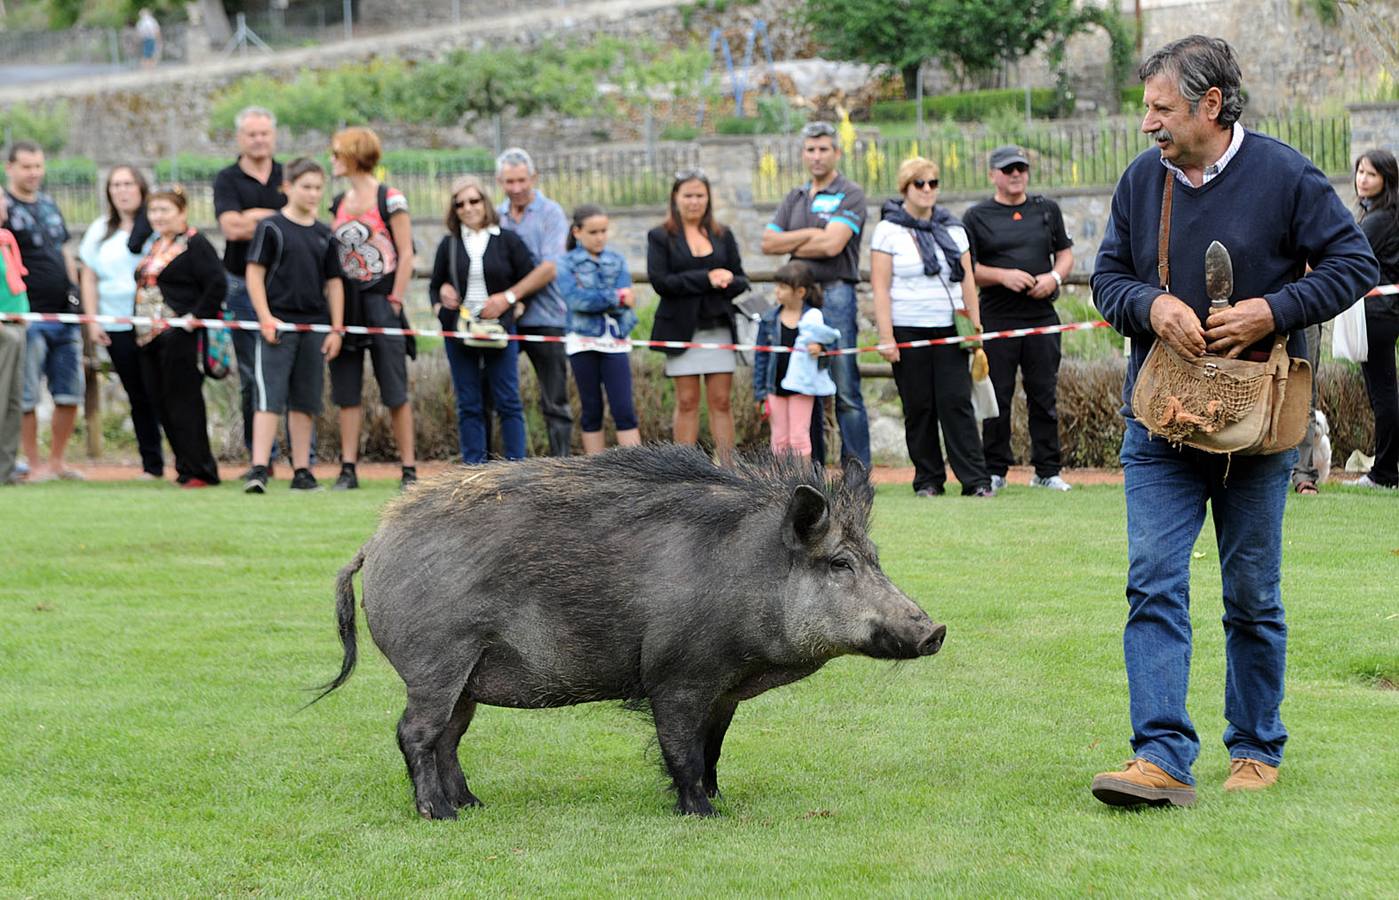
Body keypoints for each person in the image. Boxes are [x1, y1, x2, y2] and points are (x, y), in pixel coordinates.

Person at [1090, 35, 1378, 807]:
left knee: (1251, 596)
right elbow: (1105, 279)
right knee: (1152, 582)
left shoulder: (1284, 174)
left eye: (1161, 108)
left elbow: (1355, 265)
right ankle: (1158, 757)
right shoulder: (1137, 181)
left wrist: (1270, 310)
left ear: (1209, 105)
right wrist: (1148, 305)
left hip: (1259, 430)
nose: (1148, 123)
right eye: (1145, 108)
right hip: (1158, 423)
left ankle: (1253, 746)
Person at [871, 157, 994, 498]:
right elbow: (880, 287)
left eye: (933, 183)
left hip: (949, 327)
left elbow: (967, 281)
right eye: (919, 184)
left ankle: (975, 480)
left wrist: (975, 326)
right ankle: (928, 479)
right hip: (908, 327)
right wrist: (886, 336)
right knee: (919, 405)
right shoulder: (888, 230)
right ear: (905, 189)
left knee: (956, 401)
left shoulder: (953, 229)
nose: (927, 190)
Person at [962, 145, 1075, 492]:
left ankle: (1047, 470)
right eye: (1008, 169)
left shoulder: (1046, 209)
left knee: (1044, 394)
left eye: (1021, 168)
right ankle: (995, 470)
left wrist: (1053, 278)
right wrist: (1002, 276)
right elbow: (969, 268)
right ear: (993, 174)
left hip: (1041, 314)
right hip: (997, 316)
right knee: (998, 395)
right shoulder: (976, 216)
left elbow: (1065, 253)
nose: (1016, 174)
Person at [761, 120, 870, 470]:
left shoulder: (850, 193)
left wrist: (793, 239)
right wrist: (812, 232)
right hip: (799, 302)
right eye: (811, 149)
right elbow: (768, 243)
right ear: (803, 154)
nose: (817, 155)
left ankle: (856, 473)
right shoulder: (794, 197)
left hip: (836, 294)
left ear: (836, 152)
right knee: (802, 384)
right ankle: (814, 471)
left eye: (824, 148)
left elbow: (834, 244)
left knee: (845, 388)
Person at [431, 176, 553, 464]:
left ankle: (515, 468)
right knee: (469, 403)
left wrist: (515, 303)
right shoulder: (448, 244)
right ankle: (473, 467)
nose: (468, 208)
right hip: (460, 331)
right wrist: (440, 301)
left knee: (508, 400)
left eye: (474, 201)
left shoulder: (507, 240)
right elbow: (436, 284)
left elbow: (529, 277)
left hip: (499, 331)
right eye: (460, 204)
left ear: (485, 202)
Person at [242, 159, 344, 494]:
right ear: (288, 187)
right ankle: (259, 468)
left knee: (305, 403)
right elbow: (254, 274)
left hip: (313, 327)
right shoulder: (271, 227)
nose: (313, 194)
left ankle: (303, 471)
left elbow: (334, 283)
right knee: (269, 398)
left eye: (318, 187)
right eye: (306, 186)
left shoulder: (325, 233)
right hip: (279, 326)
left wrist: (336, 328)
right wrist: (266, 317)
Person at [327, 127, 417, 491]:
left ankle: (409, 468)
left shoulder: (390, 198)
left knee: (395, 388)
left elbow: (407, 251)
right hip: (346, 305)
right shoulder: (337, 201)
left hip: (382, 300)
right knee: (347, 389)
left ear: (353, 155)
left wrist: (395, 298)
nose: (331, 160)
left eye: (337, 153)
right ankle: (348, 468)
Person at [647, 169, 749, 464]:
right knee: (687, 401)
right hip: (681, 331)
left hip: (719, 328)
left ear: (708, 198)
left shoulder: (723, 234)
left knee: (721, 401)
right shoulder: (660, 236)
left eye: (700, 195)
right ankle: (685, 471)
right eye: (688, 195)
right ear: (675, 198)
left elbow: (742, 279)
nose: (694, 201)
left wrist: (727, 280)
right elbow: (661, 282)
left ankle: (728, 469)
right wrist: (706, 278)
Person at [212, 106, 292, 473]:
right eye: (251, 134)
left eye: (264, 133)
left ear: (273, 136)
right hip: (241, 286)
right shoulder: (227, 179)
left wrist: (254, 217)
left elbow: (302, 219)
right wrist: (274, 217)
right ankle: (261, 458)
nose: (259, 140)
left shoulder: (287, 175)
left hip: (286, 287)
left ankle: (300, 459)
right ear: (240, 138)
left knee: (290, 373)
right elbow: (231, 228)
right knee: (250, 373)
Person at [133, 186, 225, 487]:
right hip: (149, 336)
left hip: (180, 335)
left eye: (165, 210)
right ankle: (184, 466)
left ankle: (200, 469)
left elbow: (216, 283)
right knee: (160, 400)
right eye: (153, 211)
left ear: (182, 212)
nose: (158, 216)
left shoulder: (196, 244)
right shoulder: (157, 244)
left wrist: (195, 317)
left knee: (184, 401)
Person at [78, 165, 164, 480]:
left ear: (141, 188)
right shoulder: (100, 230)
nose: (122, 190)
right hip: (115, 324)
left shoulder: (154, 227)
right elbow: (88, 275)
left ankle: (185, 458)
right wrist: (92, 320)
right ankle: (151, 465)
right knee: (137, 394)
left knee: (160, 390)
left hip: (151, 323)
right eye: (116, 185)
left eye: (128, 184)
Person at [5, 141, 82, 483]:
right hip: (28, 315)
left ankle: (56, 463)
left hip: (64, 314)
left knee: (69, 392)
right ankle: (32, 464)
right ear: (10, 168)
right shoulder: (5, 207)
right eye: (26, 166)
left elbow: (65, 252)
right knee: (26, 395)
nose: (34, 173)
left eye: (38, 166)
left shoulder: (50, 205)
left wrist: (75, 291)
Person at [495, 147, 573, 456]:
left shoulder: (551, 213)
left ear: (534, 178)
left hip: (547, 316)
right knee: (502, 396)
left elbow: (550, 267)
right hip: (505, 320)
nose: (516, 188)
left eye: (521, 181)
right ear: (499, 181)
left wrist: (512, 296)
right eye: (509, 182)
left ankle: (561, 470)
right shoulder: (496, 215)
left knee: (555, 400)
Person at [557, 204, 640, 454]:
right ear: (577, 232)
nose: (600, 237)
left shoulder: (617, 259)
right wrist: (616, 297)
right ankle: (595, 471)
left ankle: (639, 471)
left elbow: (629, 297)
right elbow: (575, 300)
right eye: (593, 232)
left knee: (624, 408)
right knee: (591, 408)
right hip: (582, 341)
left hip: (614, 339)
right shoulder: (565, 262)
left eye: (603, 231)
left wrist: (602, 298)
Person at [752, 261, 839, 460]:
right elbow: (761, 358)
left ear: (800, 292)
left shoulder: (815, 318)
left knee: (799, 438)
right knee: (779, 441)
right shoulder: (768, 320)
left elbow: (832, 343)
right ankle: (779, 487)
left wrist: (821, 348)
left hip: (802, 389)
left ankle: (804, 485)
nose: (777, 291)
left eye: (783, 287)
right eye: (777, 286)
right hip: (774, 389)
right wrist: (760, 393)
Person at [1351, 149, 1399, 490]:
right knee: (1386, 392)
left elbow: (1349, 256)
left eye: (1371, 174)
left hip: (1379, 314)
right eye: (1359, 172)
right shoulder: (1383, 214)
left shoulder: (1379, 219)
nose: (1362, 179)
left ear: (1386, 180)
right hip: (1386, 312)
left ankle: (1384, 473)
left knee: (1382, 394)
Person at [0, 191, 27, 485]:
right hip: (3, 329)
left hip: (18, 324)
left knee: (13, 403)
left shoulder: (6, 238)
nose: (3, 205)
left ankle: (4, 471)